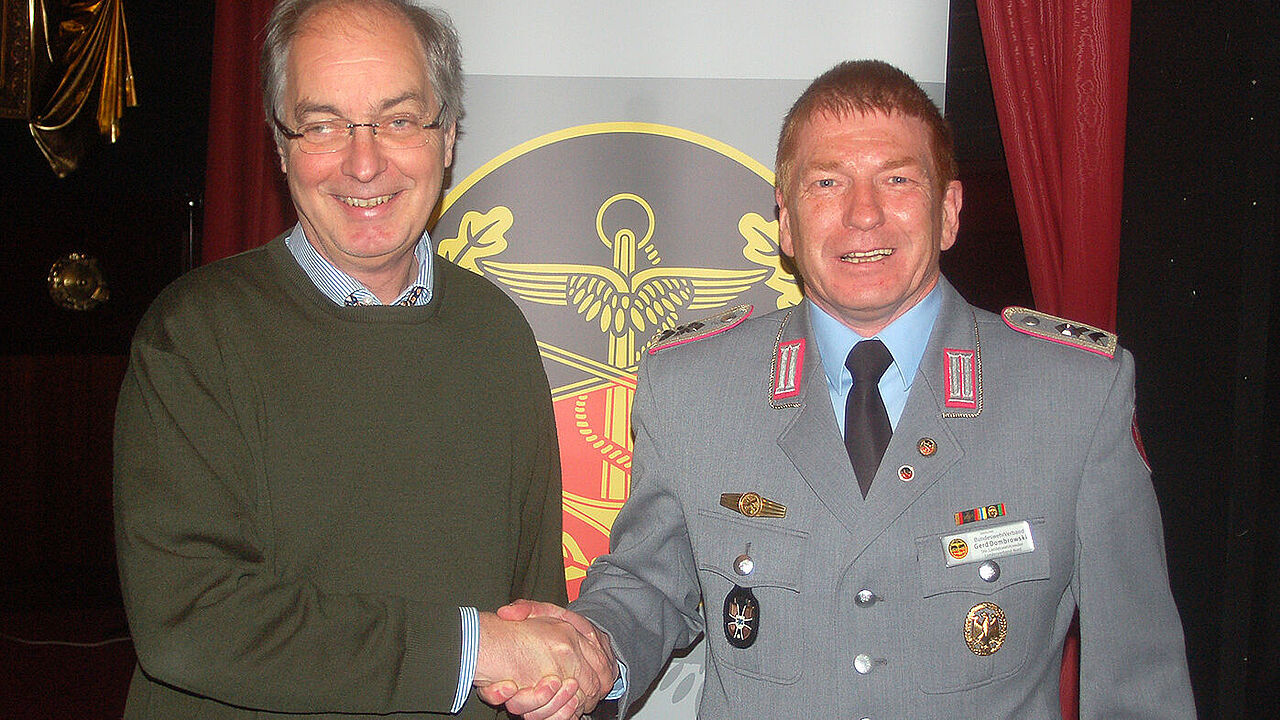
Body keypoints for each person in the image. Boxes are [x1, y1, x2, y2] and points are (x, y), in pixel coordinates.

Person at [487, 60, 1196, 719]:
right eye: (827, 183)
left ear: (949, 210)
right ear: (786, 222)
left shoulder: (1073, 398)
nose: (863, 213)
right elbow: (649, 585)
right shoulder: (692, 390)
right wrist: (590, 652)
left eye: (897, 180)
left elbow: (1139, 681)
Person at [112, 1, 613, 718]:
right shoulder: (193, 337)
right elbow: (188, 622)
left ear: (448, 136)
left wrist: (551, 679)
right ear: (280, 146)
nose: (365, 162)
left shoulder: (497, 331)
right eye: (323, 126)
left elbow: (531, 605)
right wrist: (471, 649)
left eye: (399, 120)